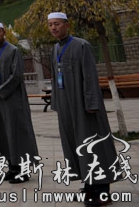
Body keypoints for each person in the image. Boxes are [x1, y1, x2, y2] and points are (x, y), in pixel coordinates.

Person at [49, 12, 118, 207]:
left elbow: (89, 76)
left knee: (94, 146)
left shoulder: (81, 45)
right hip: (66, 107)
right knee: (76, 146)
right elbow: (55, 79)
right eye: (50, 25)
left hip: (84, 107)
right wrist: (57, 103)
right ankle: (88, 186)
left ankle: (102, 190)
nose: (53, 28)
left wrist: (91, 104)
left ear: (66, 25)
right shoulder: (54, 49)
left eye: (57, 24)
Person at [0, 22, 39, 184]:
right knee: (4, 135)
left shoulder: (13, 51)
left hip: (13, 100)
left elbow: (16, 75)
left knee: (17, 133)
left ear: (4, 32)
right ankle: (12, 167)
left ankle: (23, 170)